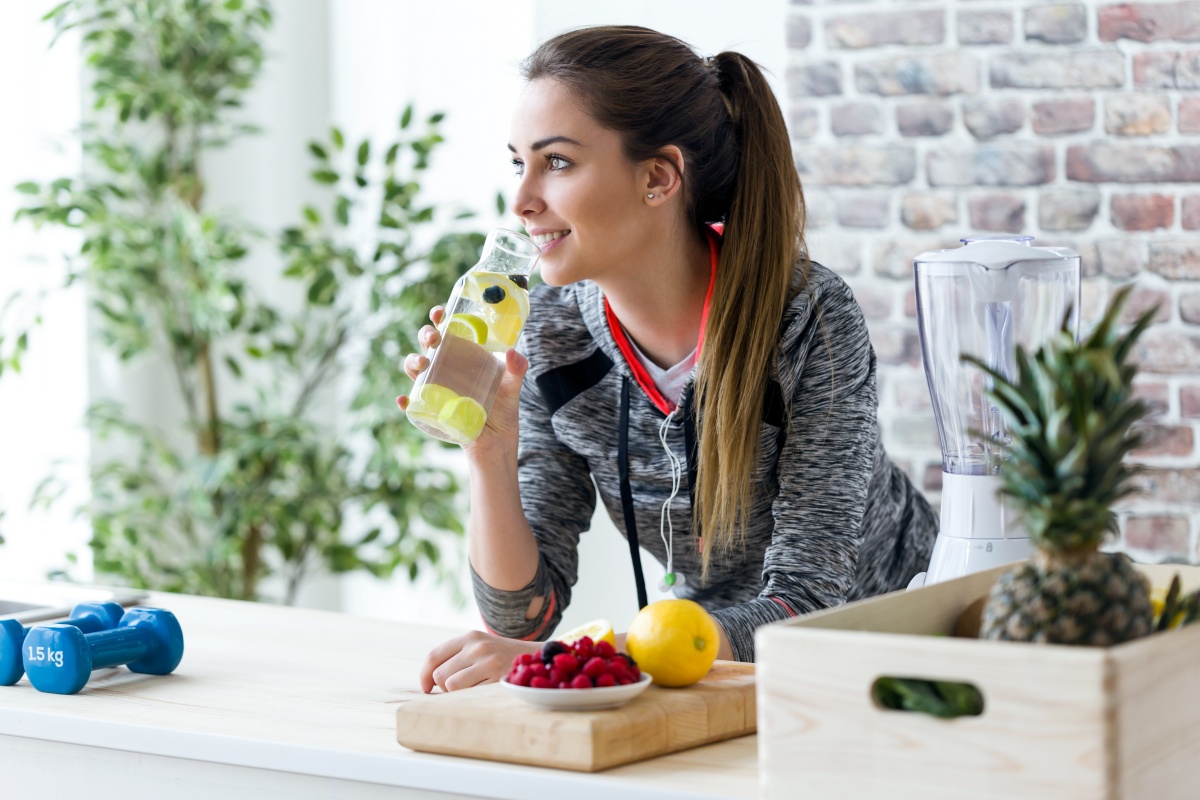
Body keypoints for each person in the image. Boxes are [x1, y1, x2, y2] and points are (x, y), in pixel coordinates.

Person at [399, 25, 938, 693]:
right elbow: (525, 615)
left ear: (658, 177)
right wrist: (488, 448)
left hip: (904, 654)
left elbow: (810, 603)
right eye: (518, 163)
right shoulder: (551, 333)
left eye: (557, 162)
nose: (520, 200)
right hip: (714, 669)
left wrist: (586, 658)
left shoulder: (804, 315)